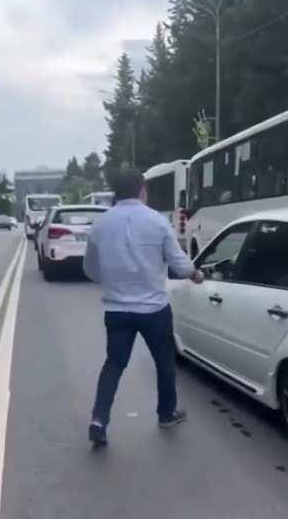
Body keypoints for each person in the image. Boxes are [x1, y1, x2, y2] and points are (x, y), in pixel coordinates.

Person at [84, 167, 204, 447]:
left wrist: (114, 281)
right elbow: (180, 263)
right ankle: (166, 413)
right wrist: (196, 275)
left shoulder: (101, 224)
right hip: (154, 311)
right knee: (164, 363)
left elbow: (90, 269)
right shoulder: (157, 221)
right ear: (141, 190)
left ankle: (99, 420)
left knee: (113, 364)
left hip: (117, 311)